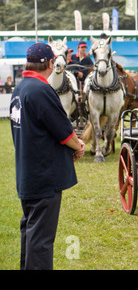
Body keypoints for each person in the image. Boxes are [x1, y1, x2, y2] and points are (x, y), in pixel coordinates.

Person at [9, 43, 85, 270]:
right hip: (44, 175)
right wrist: (78, 145)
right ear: (50, 63)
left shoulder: (20, 88)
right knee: (41, 240)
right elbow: (64, 132)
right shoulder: (41, 90)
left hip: (28, 173)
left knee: (31, 232)